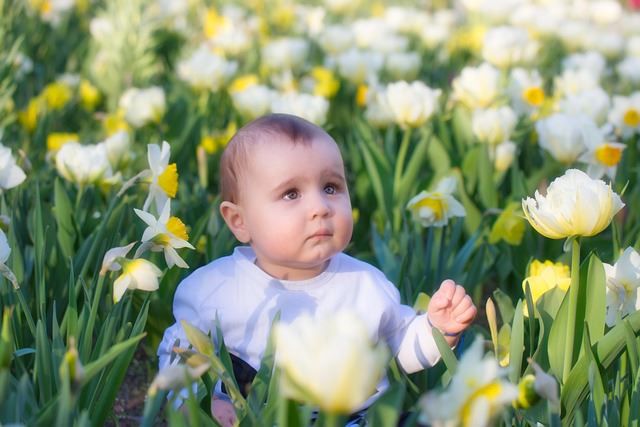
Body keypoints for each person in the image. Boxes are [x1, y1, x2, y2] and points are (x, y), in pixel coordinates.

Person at [157, 113, 477, 426]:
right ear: (240, 221)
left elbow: (399, 347)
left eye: (331, 187)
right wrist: (196, 403)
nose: (320, 208)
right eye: (291, 194)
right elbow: (179, 354)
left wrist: (438, 329)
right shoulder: (216, 290)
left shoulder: (364, 284)